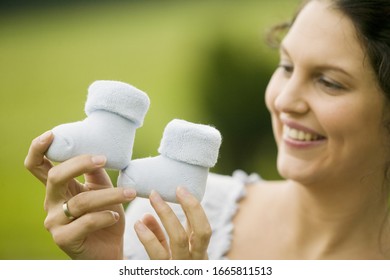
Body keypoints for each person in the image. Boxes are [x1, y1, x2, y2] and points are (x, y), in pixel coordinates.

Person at [25, 0, 390, 259]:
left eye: (328, 82)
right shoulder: (175, 215)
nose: (284, 100)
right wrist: (108, 268)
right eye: (286, 66)